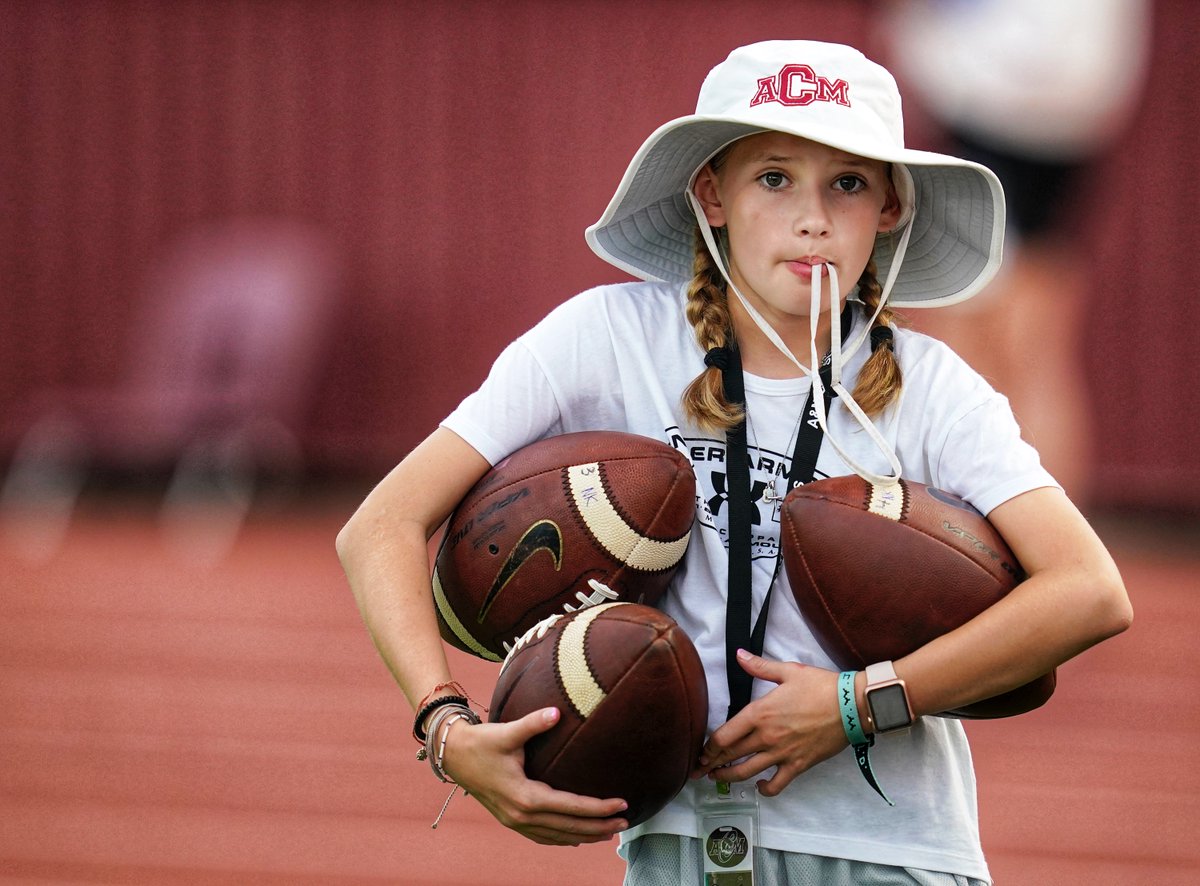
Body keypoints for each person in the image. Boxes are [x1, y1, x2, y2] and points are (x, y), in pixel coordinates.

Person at [336, 40, 1132, 885]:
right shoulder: (606, 340)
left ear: (891, 208)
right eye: (775, 178)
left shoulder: (931, 388)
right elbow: (380, 525)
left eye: (849, 183)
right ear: (711, 193)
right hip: (674, 843)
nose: (813, 216)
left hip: (889, 853)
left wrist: (855, 707)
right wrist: (446, 729)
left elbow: (1089, 591)